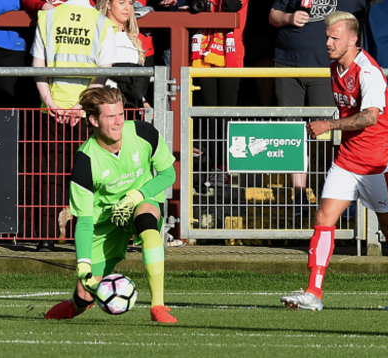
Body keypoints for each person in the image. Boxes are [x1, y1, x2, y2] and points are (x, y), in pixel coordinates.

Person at [280, 11, 388, 312]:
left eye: (335, 37)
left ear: (352, 38)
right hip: (348, 158)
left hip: (376, 161)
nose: (329, 42)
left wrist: (329, 125)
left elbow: (371, 117)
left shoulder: (367, 70)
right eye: (327, 37)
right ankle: (313, 292)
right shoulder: (335, 67)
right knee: (324, 218)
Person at [44, 86, 178, 323]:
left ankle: (158, 306)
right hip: (104, 222)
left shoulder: (144, 133)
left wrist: (138, 194)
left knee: (148, 223)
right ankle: (73, 305)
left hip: (140, 202)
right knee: (86, 296)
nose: (118, 123)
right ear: (94, 120)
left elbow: (168, 175)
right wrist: (83, 266)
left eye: (121, 114)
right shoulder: (85, 161)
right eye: (110, 117)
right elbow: (84, 221)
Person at [30, 0, 117, 248]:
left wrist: (50, 103)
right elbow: (103, 72)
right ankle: (84, 236)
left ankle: (45, 237)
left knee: (50, 174)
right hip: (87, 114)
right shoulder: (103, 23)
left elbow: (38, 66)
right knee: (86, 178)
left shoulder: (47, 18)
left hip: (52, 111)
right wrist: (81, 105)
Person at [269, 0, 366, 216]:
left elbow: (372, 13)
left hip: (327, 68)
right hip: (288, 65)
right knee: (292, 132)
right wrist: (289, 18)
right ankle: (299, 195)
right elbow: (273, 15)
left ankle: (332, 194)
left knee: (330, 135)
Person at [190, 0, 247, 187]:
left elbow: (232, 6)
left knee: (225, 117)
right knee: (209, 117)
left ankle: (224, 167)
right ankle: (211, 167)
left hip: (231, 56)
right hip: (203, 57)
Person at [97, 0, 151, 115]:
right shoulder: (99, 34)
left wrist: (143, 100)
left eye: (130, 3)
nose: (127, 8)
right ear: (108, 4)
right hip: (107, 103)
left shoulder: (133, 40)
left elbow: (136, 80)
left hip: (131, 106)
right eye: (122, 3)